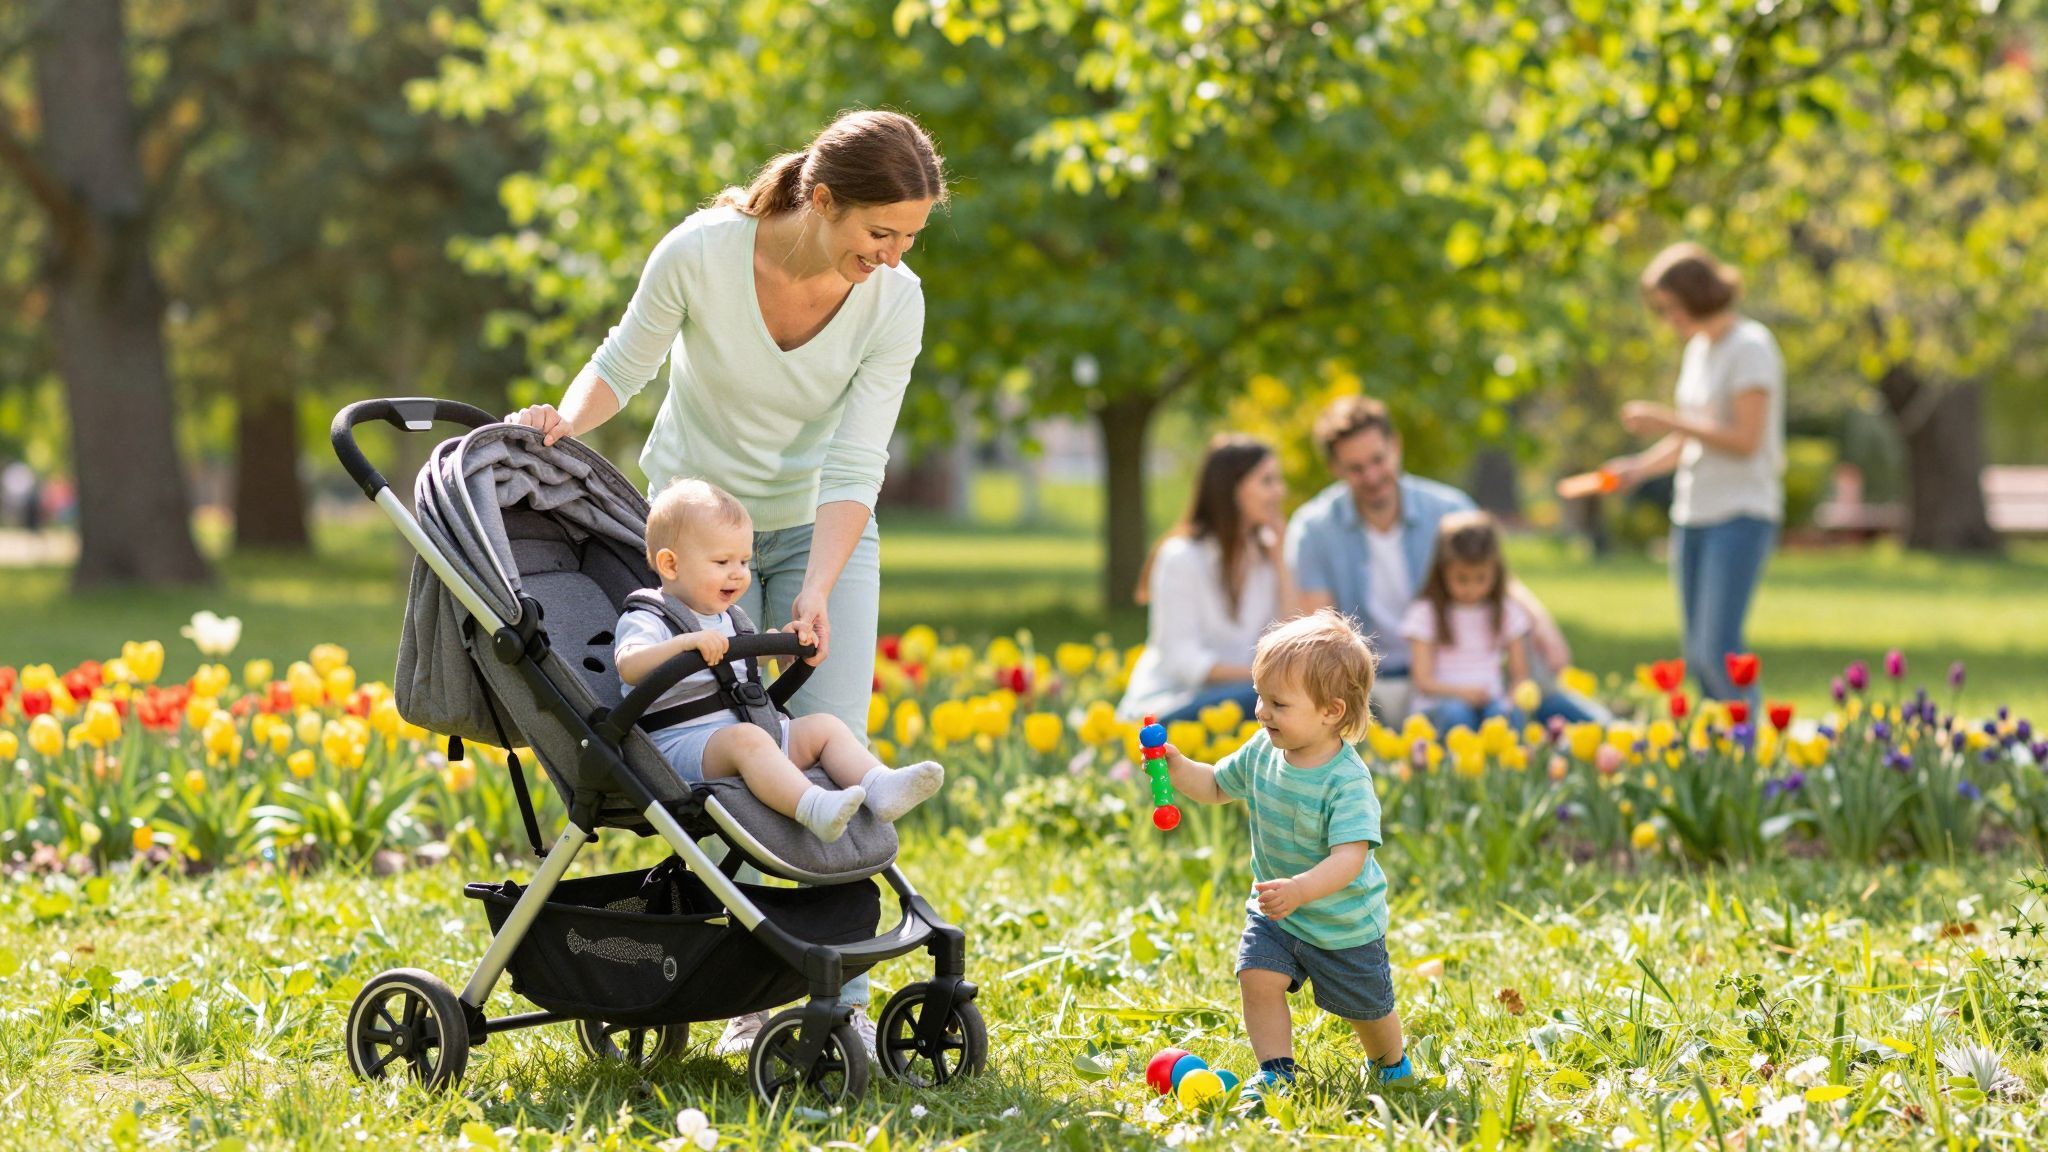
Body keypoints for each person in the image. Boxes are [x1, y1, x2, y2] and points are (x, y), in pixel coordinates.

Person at [509, 108, 946, 1060]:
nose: (897, 256)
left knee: (828, 756)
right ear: (822, 200)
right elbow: (623, 363)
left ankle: (838, 1003)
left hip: (826, 532)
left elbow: (858, 462)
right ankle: (746, 987)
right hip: (699, 538)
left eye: (911, 237)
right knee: (726, 758)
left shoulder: (895, 300)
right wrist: (560, 427)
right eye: (882, 233)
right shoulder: (704, 252)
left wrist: (818, 586)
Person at [1155, 610, 1411, 1105]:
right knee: (1257, 977)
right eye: (1260, 696)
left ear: (1331, 712)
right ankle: (1276, 1070)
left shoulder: (1346, 781)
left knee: (1368, 1012)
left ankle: (1392, 1062)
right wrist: (1178, 766)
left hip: (1341, 924)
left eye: (1277, 703)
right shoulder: (1262, 752)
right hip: (1276, 912)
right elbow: (1214, 786)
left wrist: (1301, 890)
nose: (1261, 712)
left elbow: (1349, 859)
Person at [616, 480, 943, 843]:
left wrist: (787, 644)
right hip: (680, 747)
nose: (739, 573)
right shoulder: (648, 616)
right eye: (722, 562)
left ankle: (880, 786)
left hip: (746, 730)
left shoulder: (729, 617)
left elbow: (743, 662)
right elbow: (628, 665)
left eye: (742, 560)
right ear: (670, 564)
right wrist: (685, 645)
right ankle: (815, 807)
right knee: (747, 739)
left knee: (825, 727)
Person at [1601, 243, 1785, 702]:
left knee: (1718, 650)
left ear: (1696, 295)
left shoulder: (1750, 347)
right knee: (1697, 653)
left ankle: (1749, 751)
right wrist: (1639, 468)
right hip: (1693, 513)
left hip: (1740, 512)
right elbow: (1692, 439)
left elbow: (1745, 439)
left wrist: (1666, 419)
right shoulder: (1699, 351)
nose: (1667, 320)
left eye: (1669, 308)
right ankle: (1719, 760)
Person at [1286, 397, 1476, 722]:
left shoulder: (1451, 512)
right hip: (1363, 685)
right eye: (1356, 469)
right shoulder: (1313, 529)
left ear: (1395, 446)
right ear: (1335, 469)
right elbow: (1320, 637)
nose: (1372, 476)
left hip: (1444, 678)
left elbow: (1497, 594)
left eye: (1379, 460)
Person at [1117, 434, 1287, 725]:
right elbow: (1182, 659)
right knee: (1265, 701)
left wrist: (1281, 562)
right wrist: (1265, 680)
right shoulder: (1181, 557)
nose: (1280, 492)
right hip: (1171, 704)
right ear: (1233, 488)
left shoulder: (1266, 557)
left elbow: (1289, 639)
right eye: (1267, 481)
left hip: (1246, 696)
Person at [1401, 511, 1532, 731]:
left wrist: (1512, 701)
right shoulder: (1425, 613)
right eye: (1462, 579)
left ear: (1496, 573)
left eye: (1481, 578)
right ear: (1442, 571)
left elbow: (1520, 676)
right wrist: (1463, 693)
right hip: (1439, 703)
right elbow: (1422, 681)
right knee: (1457, 715)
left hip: (1490, 701)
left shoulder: (1506, 611)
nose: (1471, 589)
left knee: (1505, 718)